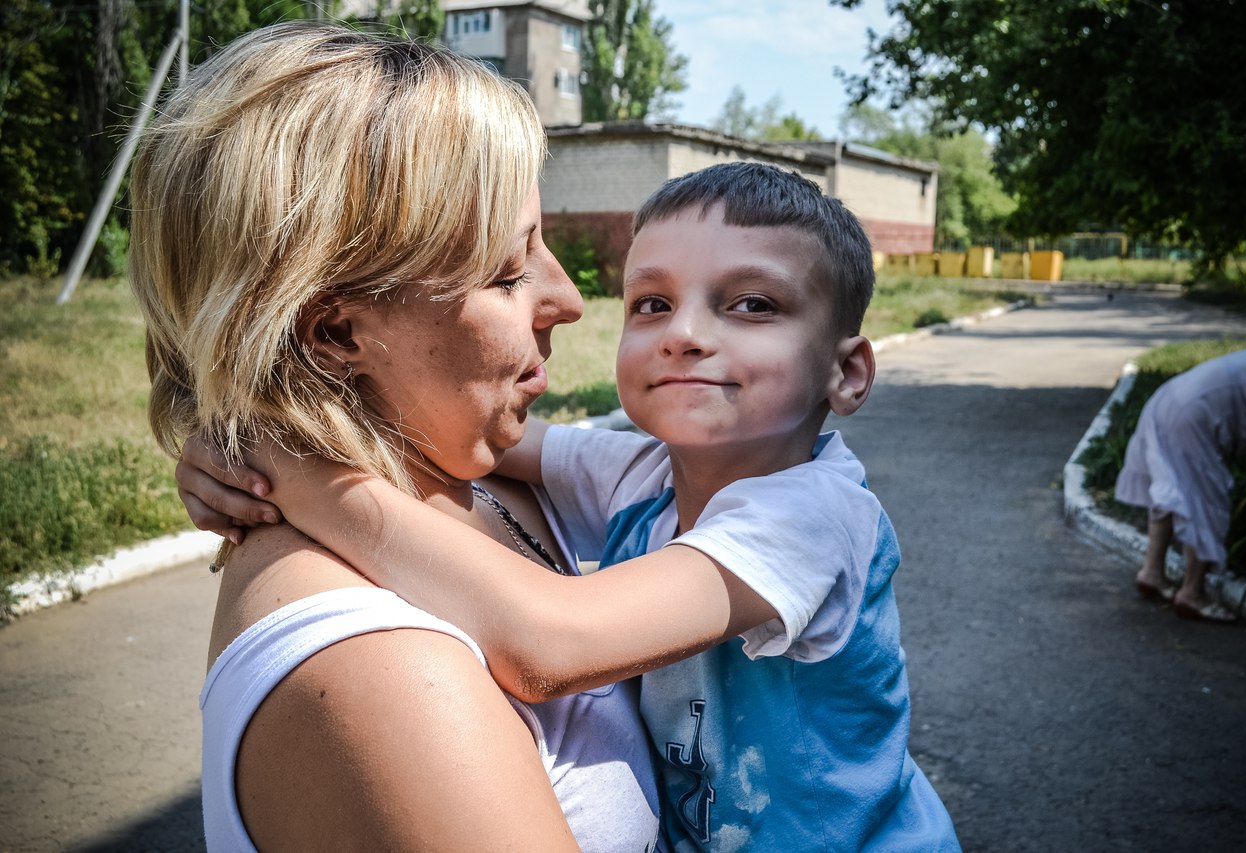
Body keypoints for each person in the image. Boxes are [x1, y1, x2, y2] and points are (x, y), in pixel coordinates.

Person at [182, 163, 960, 850]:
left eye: (752, 303)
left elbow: (549, 642)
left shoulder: (813, 515)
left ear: (847, 373)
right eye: (651, 303)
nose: (684, 334)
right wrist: (251, 427)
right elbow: (457, 428)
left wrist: (299, 477)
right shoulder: (643, 473)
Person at [130, 22, 671, 851]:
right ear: (335, 334)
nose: (567, 300)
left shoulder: (486, 474)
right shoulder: (379, 667)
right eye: (507, 272)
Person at [1117, 348, 1246, 622]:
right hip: (1192, 416)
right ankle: (1192, 593)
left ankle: (1152, 573)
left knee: (1170, 491)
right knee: (1203, 498)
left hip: (1167, 399)